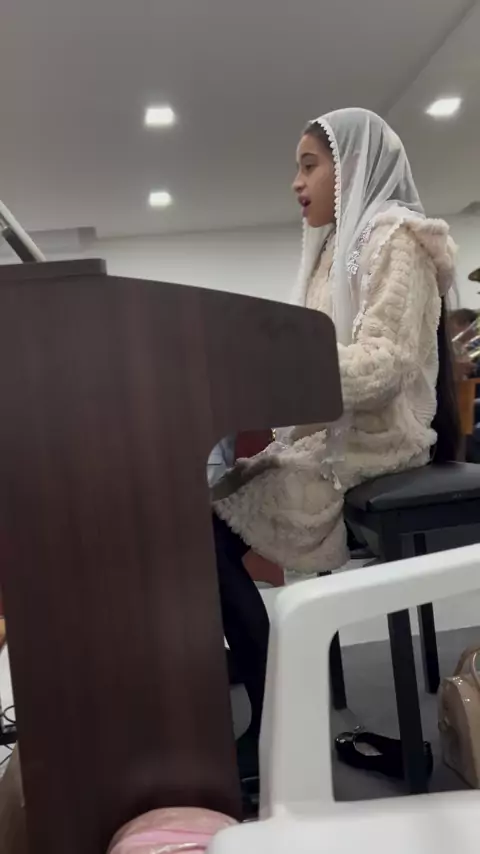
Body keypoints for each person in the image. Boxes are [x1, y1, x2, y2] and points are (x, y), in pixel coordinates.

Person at [213, 107, 459, 778]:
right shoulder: (335, 251)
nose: (297, 183)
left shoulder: (399, 239)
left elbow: (385, 365)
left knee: (209, 531)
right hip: (338, 433)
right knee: (213, 504)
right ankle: (261, 685)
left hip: (380, 442)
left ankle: (272, 717)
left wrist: (271, 373)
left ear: (350, 166)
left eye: (309, 165)